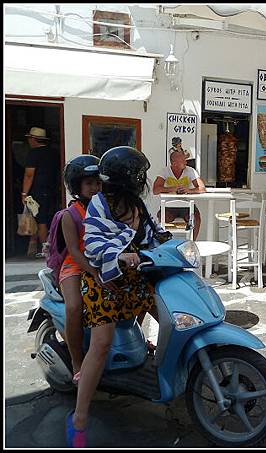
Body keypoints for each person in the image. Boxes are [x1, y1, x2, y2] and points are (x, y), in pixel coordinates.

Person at [66, 146, 170, 447]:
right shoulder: (99, 204)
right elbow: (94, 245)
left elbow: (154, 231)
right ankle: (79, 420)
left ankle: (166, 372)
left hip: (134, 279)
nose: (144, 180)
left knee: (171, 316)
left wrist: (171, 242)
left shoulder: (136, 203)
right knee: (101, 345)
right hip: (103, 281)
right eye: (140, 176)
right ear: (128, 179)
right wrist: (121, 256)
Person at [59, 155, 104, 386]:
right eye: (89, 183)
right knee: (75, 306)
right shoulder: (71, 214)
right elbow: (74, 251)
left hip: (102, 262)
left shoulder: (107, 208)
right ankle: (77, 361)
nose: (95, 188)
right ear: (77, 186)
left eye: (97, 183)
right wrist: (94, 271)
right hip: (75, 265)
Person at [152, 149, 206, 240]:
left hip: (187, 206)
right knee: (162, 217)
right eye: (183, 160)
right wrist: (172, 189)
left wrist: (188, 190)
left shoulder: (190, 171)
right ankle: (164, 244)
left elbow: (202, 188)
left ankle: (192, 243)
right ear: (174, 163)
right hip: (169, 206)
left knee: (196, 218)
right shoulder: (164, 171)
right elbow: (155, 190)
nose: (186, 162)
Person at [21, 127, 58, 258]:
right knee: (43, 219)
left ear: (33, 139)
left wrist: (24, 193)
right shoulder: (54, 153)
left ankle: (44, 250)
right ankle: (35, 245)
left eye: (29, 138)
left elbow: (29, 175)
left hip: (37, 191)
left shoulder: (33, 153)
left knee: (40, 220)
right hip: (51, 190)